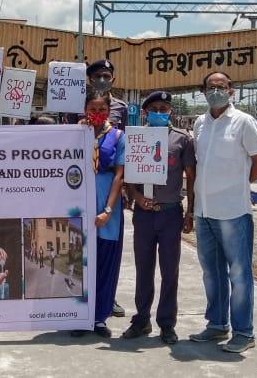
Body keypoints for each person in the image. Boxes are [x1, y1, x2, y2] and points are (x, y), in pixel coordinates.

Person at [189, 72, 257, 354]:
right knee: (212, 273)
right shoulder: (200, 123)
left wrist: (239, 185)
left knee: (239, 273)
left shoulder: (244, 122)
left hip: (233, 211)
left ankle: (244, 332)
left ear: (231, 91)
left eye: (221, 87)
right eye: (210, 87)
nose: (216, 91)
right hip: (204, 211)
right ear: (203, 91)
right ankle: (217, 324)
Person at [121, 91, 196, 345]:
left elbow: (191, 177)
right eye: (154, 109)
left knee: (169, 270)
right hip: (143, 215)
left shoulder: (182, 139)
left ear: (170, 112)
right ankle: (141, 319)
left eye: (164, 109)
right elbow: (128, 177)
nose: (159, 113)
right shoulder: (135, 138)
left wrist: (190, 211)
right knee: (143, 268)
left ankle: (167, 323)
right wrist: (136, 197)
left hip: (170, 213)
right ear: (145, 113)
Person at [71, 92, 125, 339]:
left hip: (105, 205)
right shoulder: (74, 133)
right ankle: (79, 316)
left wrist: (108, 210)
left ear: (109, 111)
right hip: (78, 204)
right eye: (92, 109)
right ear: (84, 110)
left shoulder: (118, 136)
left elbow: (119, 175)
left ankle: (99, 317)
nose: (97, 114)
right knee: (78, 262)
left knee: (104, 262)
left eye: (102, 109)